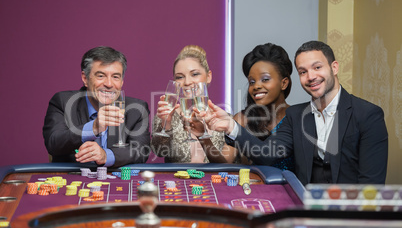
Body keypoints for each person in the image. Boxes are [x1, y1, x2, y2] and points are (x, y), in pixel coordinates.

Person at [202, 40, 388, 185]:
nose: (311, 77)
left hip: (348, 220)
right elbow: (266, 154)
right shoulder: (296, 115)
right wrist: (231, 126)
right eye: (303, 71)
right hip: (303, 214)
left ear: (334, 67)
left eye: (317, 67)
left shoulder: (368, 115)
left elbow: (370, 186)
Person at [191, 43, 295, 170]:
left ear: (284, 83)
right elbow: (224, 164)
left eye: (265, 79)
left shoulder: (296, 117)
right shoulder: (242, 118)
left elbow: (268, 156)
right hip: (251, 189)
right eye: (252, 81)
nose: (256, 86)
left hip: (289, 189)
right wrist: (203, 136)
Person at [43, 46, 150, 167]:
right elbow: (54, 143)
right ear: (85, 78)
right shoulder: (62, 102)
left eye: (115, 77)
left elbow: (141, 151)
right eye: (100, 75)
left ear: (121, 82)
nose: (109, 84)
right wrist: (93, 128)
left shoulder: (137, 109)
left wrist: (106, 155)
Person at [151, 45, 225, 163]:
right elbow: (159, 152)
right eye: (180, 77)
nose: (187, 82)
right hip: (178, 181)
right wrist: (166, 124)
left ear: (209, 76)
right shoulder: (167, 114)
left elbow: (229, 165)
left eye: (195, 74)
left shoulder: (224, 119)